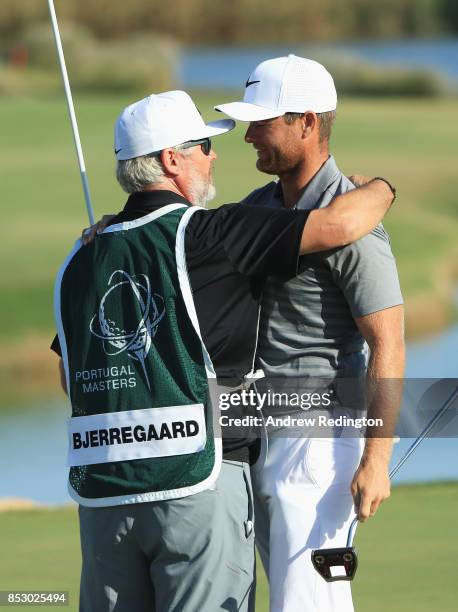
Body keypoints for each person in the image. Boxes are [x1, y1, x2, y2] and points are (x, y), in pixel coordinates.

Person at [53, 89, 395, 612]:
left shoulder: (82, 256)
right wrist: (383, 187)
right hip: (198, 483)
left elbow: (70, 377)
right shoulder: (214, 233)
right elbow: (342, 223)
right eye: (202, 147)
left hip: (103, 496)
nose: (215, 156)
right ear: (172, 159)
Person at [216, 55, 405, 612]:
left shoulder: (357, 229)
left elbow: (388, 343)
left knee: (307, 604)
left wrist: (376, 460)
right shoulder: (258, 207)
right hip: (256, 432)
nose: (249, 135)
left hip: (319, 444)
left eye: (262, 122)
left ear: (306, 122)